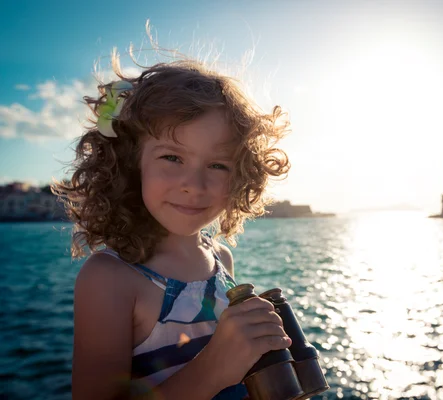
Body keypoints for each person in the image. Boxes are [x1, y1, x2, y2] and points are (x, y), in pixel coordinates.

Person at [54, 51, 292, 399]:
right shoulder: (109, 278)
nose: (193, 185)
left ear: (241, 176)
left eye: (218, 165)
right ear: (131, 164)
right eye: (172, 157)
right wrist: (214, 366)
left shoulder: (221, 259)